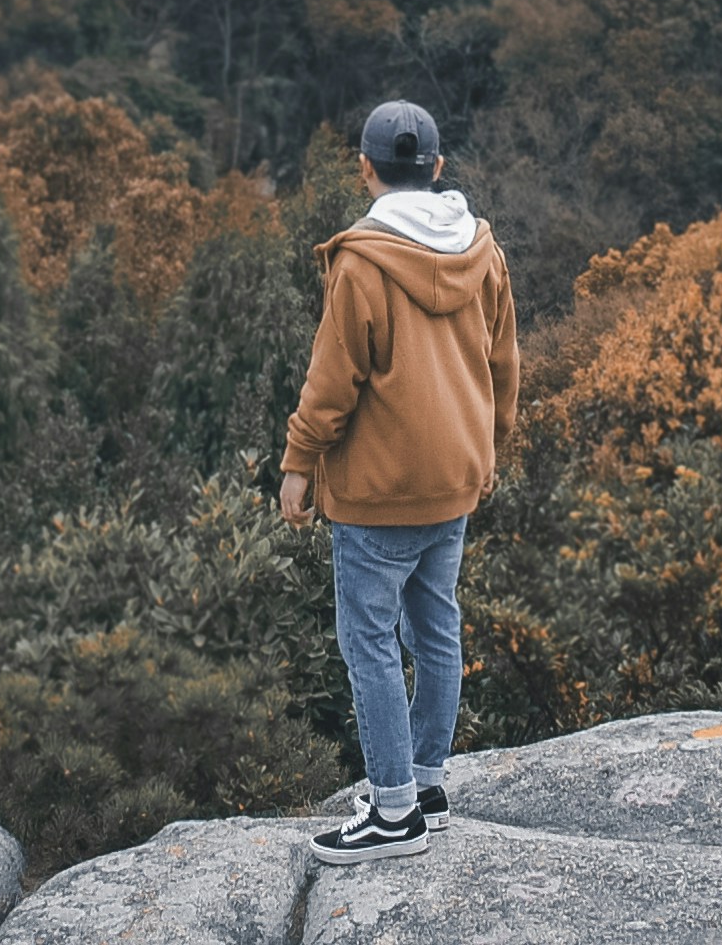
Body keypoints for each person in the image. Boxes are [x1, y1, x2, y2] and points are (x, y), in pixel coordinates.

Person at [278, 98, 519, 866]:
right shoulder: (483, 250)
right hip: (455, 480)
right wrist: (489, 450)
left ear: (366, 169)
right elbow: (504, 364)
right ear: (437, 167)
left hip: (379, 493)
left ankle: (392, 812)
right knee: (436, 628)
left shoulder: (363, 263)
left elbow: (332, 383)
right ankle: (426, 787)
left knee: (370, 643)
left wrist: (298, 464)